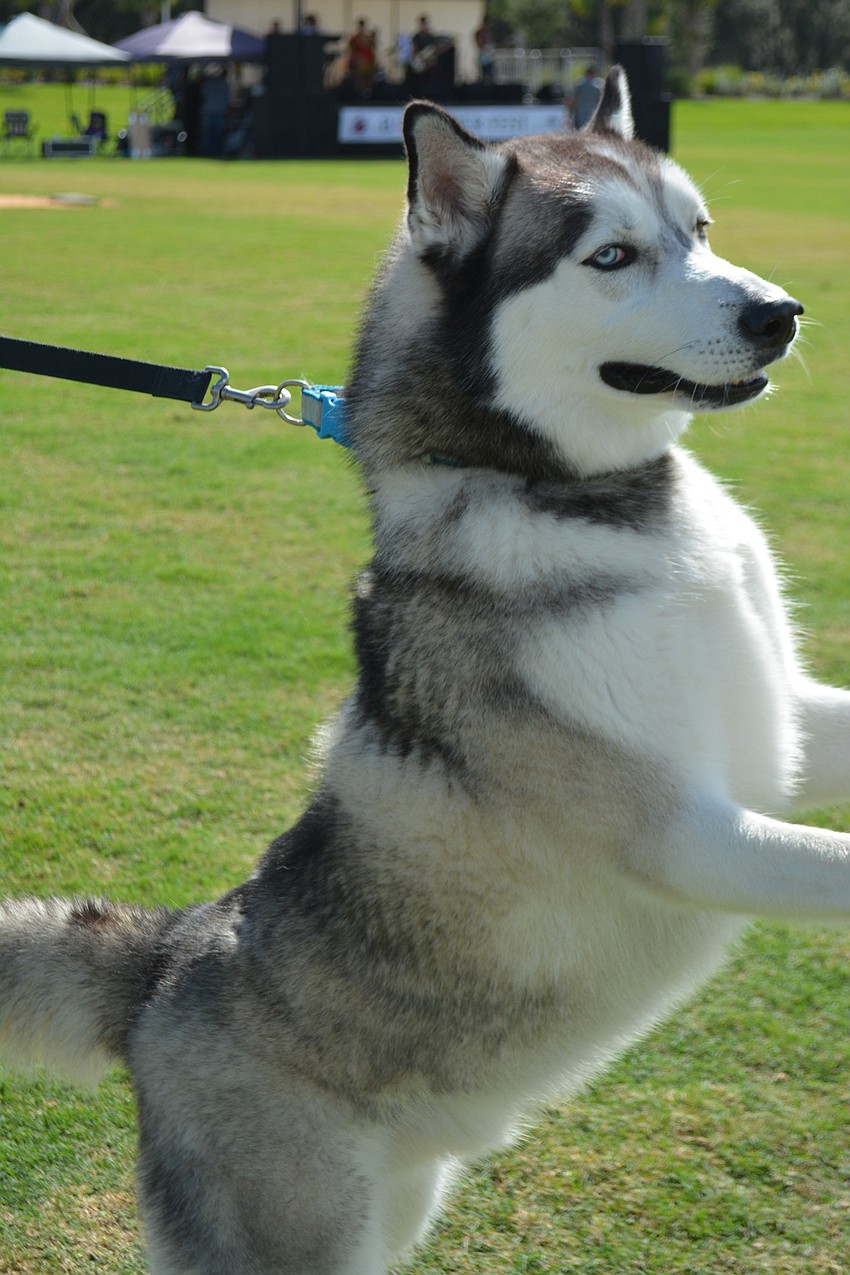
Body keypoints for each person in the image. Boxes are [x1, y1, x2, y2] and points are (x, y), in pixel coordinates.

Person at [347, 19, 377, 97]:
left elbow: (373, 46)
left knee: (369, 78)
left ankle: (369, 93)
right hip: (359, 62)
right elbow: (352, 49)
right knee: (359, 79)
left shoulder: (367, 36)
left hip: (368, 61)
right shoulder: (355, 37)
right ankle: (359, 94)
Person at [473, 16, 495, 84]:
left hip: (489, 54)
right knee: (484, 73)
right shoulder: (480, 32)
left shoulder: (488, 31)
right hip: (484, 55)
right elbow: (479, 43)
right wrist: (484, 47)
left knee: (491, 73)